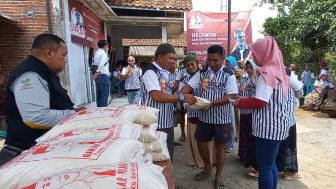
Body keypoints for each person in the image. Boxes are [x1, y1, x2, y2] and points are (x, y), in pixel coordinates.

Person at [0, 34, 85, 165]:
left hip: (39, 149)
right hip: (25, 152)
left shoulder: (44, 73)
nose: (65, 60)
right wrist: (73, 115)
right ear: (49, 53)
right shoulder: (31, 75)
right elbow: (36, 117)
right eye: (63, 55)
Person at [232, 36, 291, 189]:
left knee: (264, 166)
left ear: (265, 54)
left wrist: (240, 102)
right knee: (270, 164)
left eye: (255, 54)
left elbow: (261, 101)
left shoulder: (265, 74)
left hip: (268, 128)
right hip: (278, 126)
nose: (253, 57)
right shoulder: (278, 72)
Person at [180, 45, 238, 189]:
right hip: (204, 118)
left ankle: (218, 174)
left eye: (216, 60)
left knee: (220, 147)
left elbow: (231, 96)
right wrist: (183, 95)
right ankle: (207, 168)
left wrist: (211, 103)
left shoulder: (229, 74)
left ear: (223, 59)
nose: (212, 63)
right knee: (201, 143)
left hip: (222, 118)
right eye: (209, 59)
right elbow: (187, 87)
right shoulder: (202, 73)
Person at [141, 43, 196, 163]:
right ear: (160, 57)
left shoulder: (166, 73)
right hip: (154, 123)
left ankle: (167, 180)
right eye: (170, 58)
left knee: (167, 156)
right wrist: (181, 98)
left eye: (174, 58)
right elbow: (156, 96)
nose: (173, 61)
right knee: (156, 158)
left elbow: (168, 92)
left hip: (167, 121)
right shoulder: (150, 72)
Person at [179, 54, 216, 168]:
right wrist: (185, 98)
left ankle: (211, 160)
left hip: (207, 112)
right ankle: (198, 161)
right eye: (188, 65)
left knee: (208, 139)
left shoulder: (205, 76)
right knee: (196, 140)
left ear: (197, 64)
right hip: (193, 113)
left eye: (192, 64)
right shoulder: (184, 79)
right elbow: (180, 95)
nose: (190, 67)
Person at [276, 66, 303, 180]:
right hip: (287, 116)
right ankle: (289, 171)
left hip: (270, 117)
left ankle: (257, 168)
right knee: (288, 142)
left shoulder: (262, 70)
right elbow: (299, 91)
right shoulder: (286, 72)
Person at [237, 59, 257, 162]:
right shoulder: (242, 80)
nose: (249, 70)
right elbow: (237, 93)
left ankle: (252, 157)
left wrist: (254, 81)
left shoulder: (258, 80)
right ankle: (244, 155)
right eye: (247, 68)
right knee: (244, 133)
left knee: (252, 135)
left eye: (251, 67)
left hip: (254, 113)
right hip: (244, 111)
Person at [92, 40, 110, 107]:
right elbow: (101, 65)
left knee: (99, 94)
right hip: (103, 75)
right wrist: (97, 73)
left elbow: (93, 65)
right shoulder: (103, 54)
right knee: (104, 95)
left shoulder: (96, 54)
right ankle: (103, 110)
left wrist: (94, 74)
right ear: (105, 46)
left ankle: (99, 109)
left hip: (97, 76)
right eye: (107, 45)